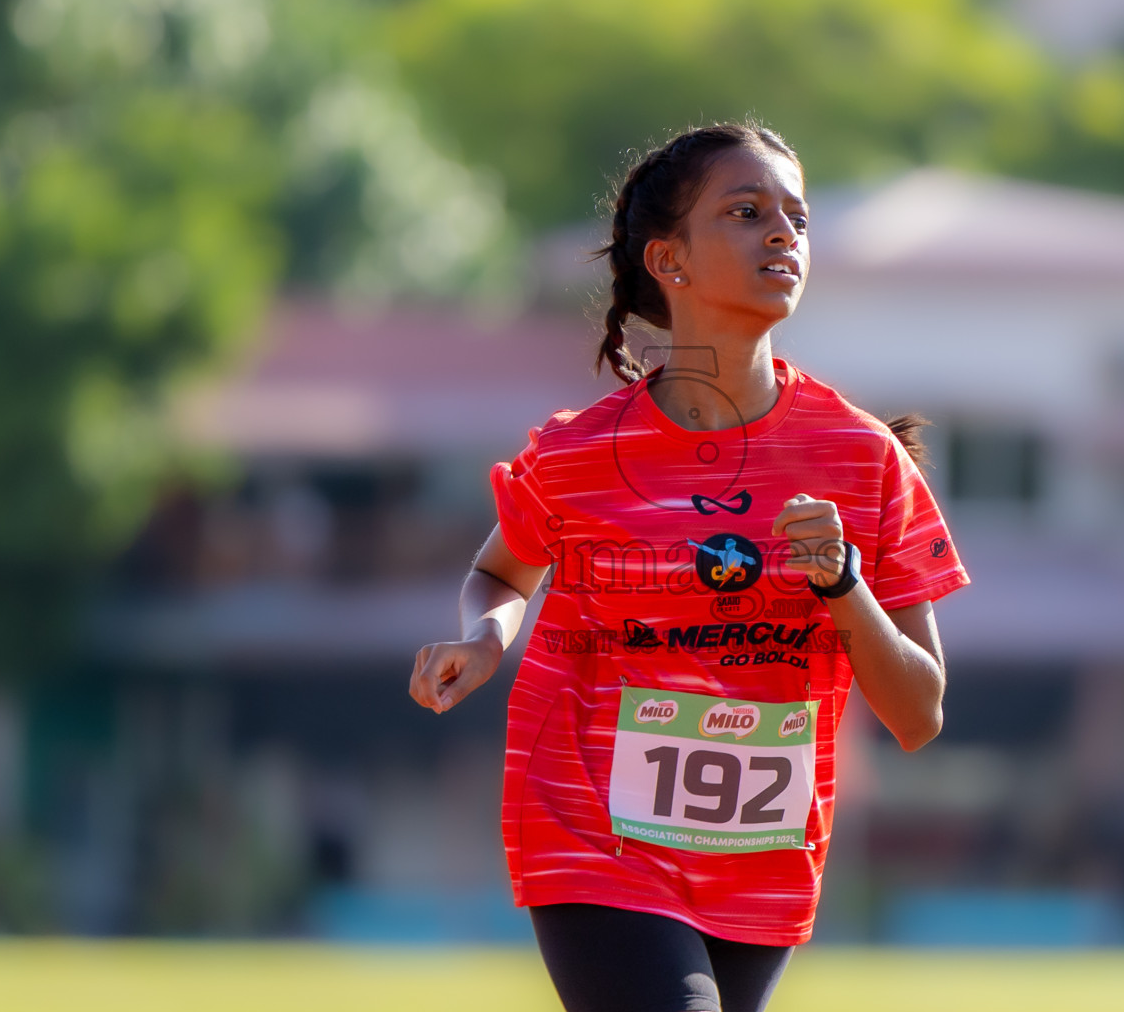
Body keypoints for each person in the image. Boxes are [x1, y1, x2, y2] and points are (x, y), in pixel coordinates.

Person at [409, 121, 970, 1012]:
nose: (783, 233)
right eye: (747, 213)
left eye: (797, 216)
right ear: (668, 261)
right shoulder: (580, 454)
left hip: (762, 856)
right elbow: (504, 572)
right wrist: (485, 639)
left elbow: (919, 713)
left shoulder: (863, 461)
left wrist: (843, 585)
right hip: (591, 831)